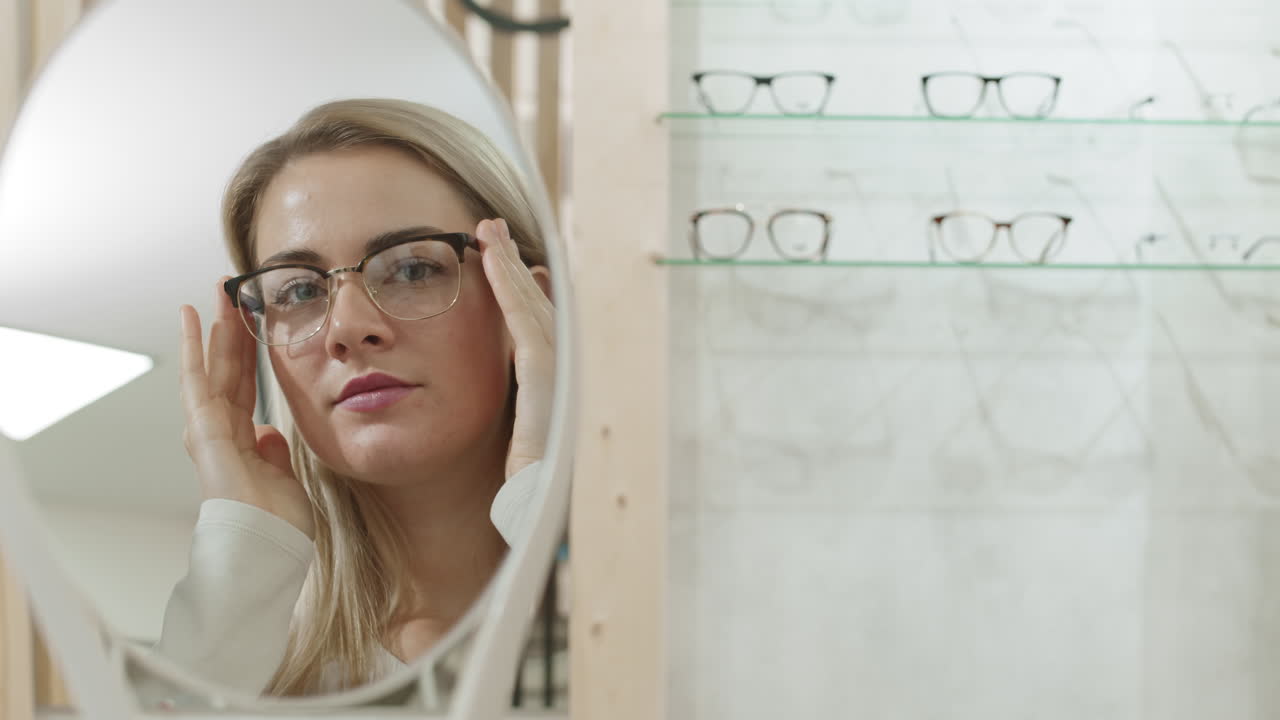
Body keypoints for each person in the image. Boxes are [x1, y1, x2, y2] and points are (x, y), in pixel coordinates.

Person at [155, 98, 555, 698]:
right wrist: (240, 557)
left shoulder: (655, 585)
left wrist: (548, 502)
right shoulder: (246, 667)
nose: (345, 328)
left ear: (524, 305)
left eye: (413, 269)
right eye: (298, 290)